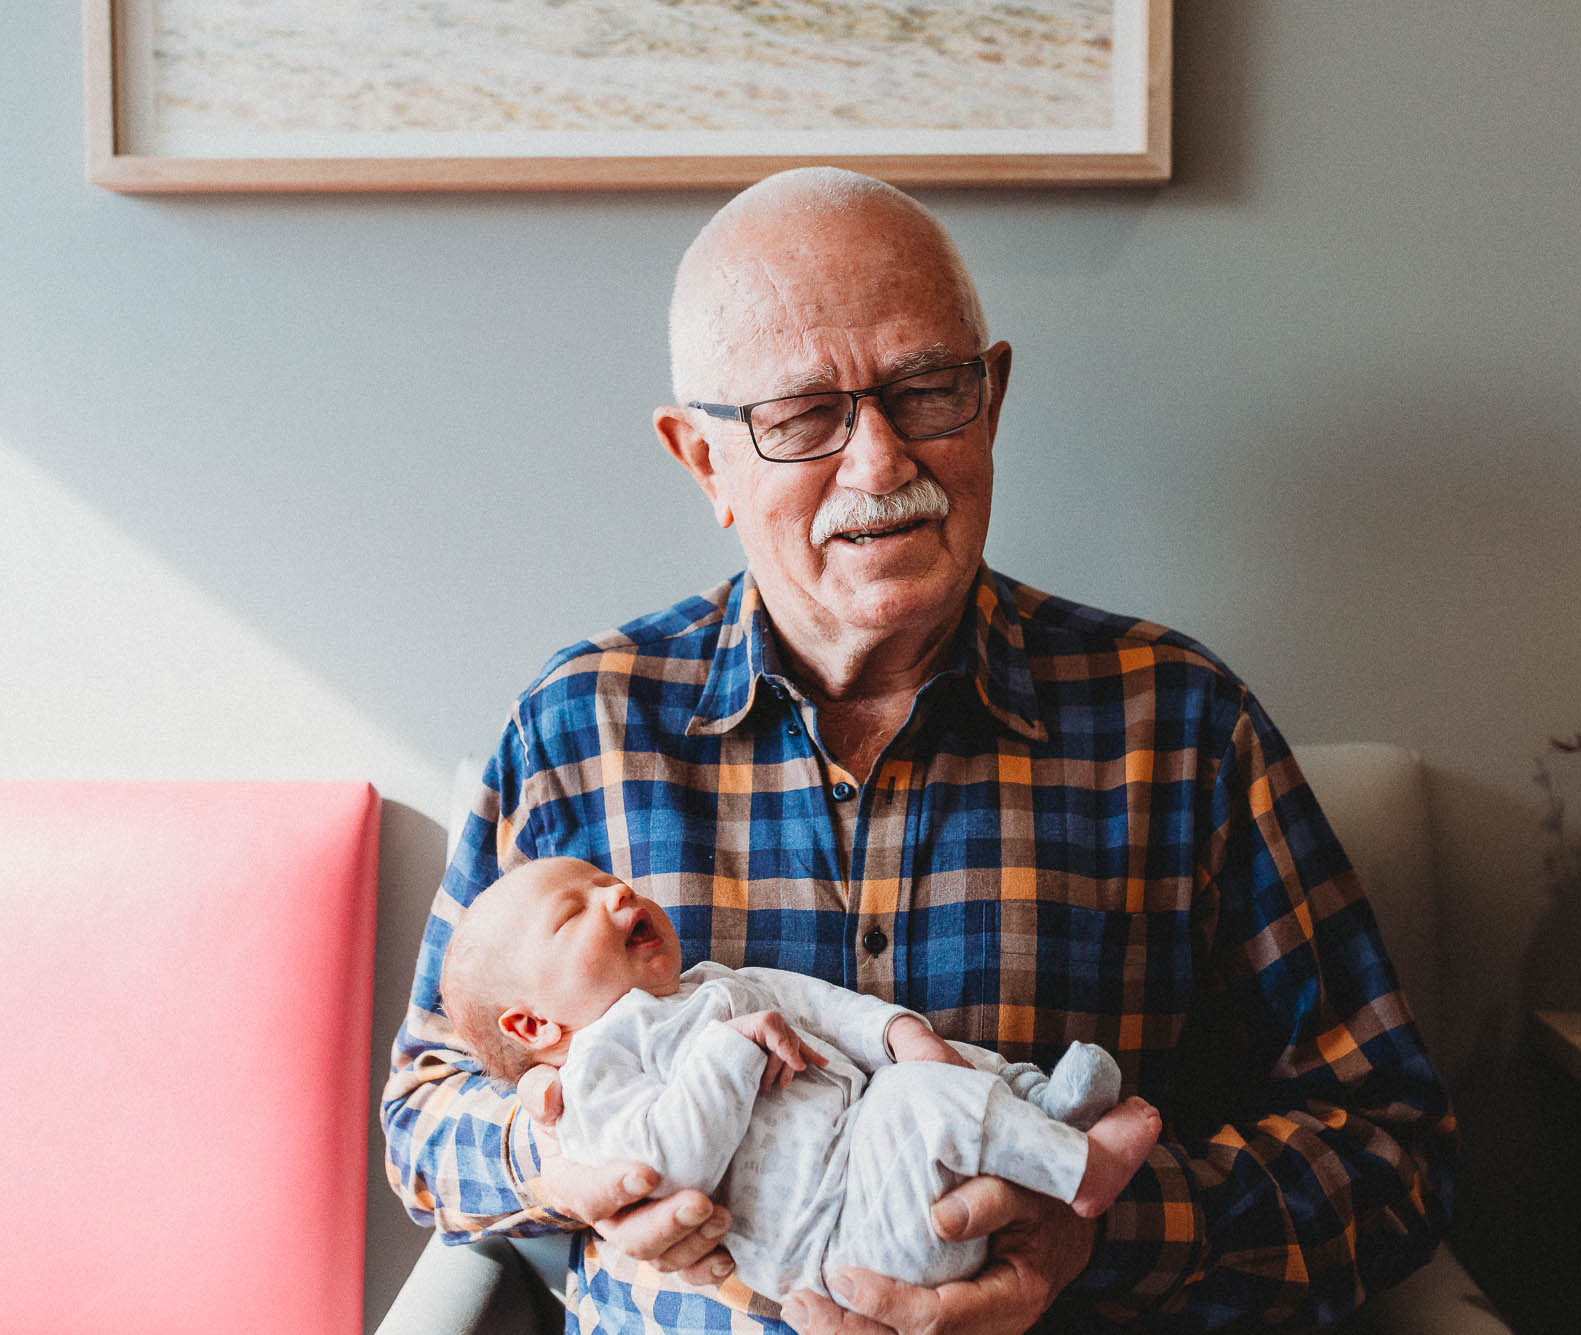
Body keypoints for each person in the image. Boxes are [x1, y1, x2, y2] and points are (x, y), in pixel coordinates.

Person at [383, 166, 1456, 1334]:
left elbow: (1392, 1153)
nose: (882, 462)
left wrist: (1097, 1233)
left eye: (925, 388)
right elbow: (427, 1114)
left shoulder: (1177, 724)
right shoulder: (578, 726)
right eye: (802, 416)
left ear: (989, 398)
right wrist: (553, 1166)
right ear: (704, 462)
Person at [438, 855, 1166, 1308]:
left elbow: (825, 1006)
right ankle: (1084, 1170)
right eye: (576, 913)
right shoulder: (594, 1079)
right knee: (917, 1099)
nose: (617, 893)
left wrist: (899, 1032)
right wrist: (731, 1048)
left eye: (608, 880)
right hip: (846, 1235)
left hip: (885, 1168)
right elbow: (666, 1166)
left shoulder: (714, 983)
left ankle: (1046, 1110)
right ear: (532, 1028)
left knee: (934, 1063)